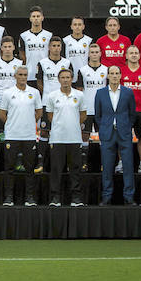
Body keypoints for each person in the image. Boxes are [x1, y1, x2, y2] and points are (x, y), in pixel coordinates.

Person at [0, 66, 43, 206]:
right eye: (20, 75)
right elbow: (2, 114)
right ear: (15, 76)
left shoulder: (34, 92)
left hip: (29, 136)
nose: (23, 77)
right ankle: (9, 198)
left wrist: (28, 123)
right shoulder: (7, 93)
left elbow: (39, 112)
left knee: (30, 169)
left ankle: (30, 198)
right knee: (9, 168)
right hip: (12, 136)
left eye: (25, 75)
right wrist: (12, 124)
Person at [95, 66, 137, 205]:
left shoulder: (128, 92)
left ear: (120, 75)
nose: (114, 76)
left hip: (124, 132)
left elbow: (132, 114)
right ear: (107, 76)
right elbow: (98, 115)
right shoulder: (100, 93)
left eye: (116, 73)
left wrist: (126, 125)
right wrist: (105, 127)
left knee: (128, 166)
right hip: (107, 133)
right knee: (107, 167)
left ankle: (129, 197)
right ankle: (107, 196)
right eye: (111, 73)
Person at [45, 68, 87, 206]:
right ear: (58, 80)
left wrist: (73, 125)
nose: (65, 80)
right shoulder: (52, 96)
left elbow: (83, 115)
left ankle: (76, 198)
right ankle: (55, 198)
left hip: (74, 138)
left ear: (72, 78)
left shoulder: (80, 95)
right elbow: (50, 116)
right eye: (62, 77)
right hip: (57, 139)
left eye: (68, 77)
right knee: (56, 170)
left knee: (75, 169)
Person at [121, 45, 141, 173]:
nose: (134, 55)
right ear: (126, 56)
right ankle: (123, 163)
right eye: (131, 53)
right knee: (124, 137)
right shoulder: (121, 71)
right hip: (124, 111)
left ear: (140, 56)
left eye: (136, 53)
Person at [74, 44, 108, 166]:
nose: (94, 54)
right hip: (87, 109)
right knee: (84, 135)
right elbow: (78, 91)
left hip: (102, 110)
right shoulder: (82, 71)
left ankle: (105, 163)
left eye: (96, 52)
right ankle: (84, 162)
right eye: (92, 52)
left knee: (104, 136)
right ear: (88, 54)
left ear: (100, 53)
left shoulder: (106, 70)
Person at [18, 6, 52, 83]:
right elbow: (22, 56)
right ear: (30, 19)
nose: (36, 18)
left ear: (42, 18)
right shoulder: (23, 36)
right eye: (33, 16)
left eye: (38, 16)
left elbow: (51, 54)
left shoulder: (49, 35)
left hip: (46, 73)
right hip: (30, 74)